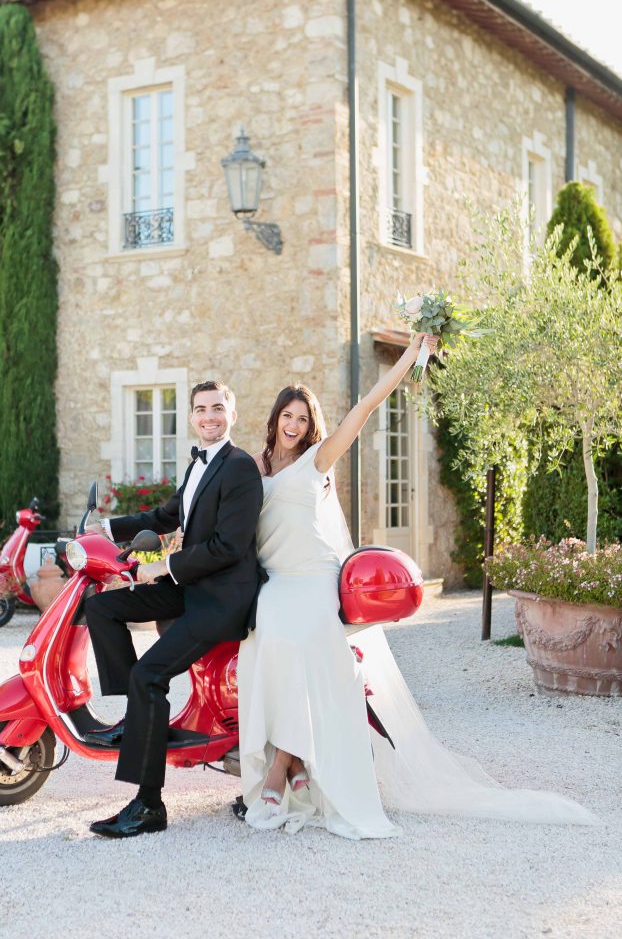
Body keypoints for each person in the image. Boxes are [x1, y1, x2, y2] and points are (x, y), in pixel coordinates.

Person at [238, 334, 599, 838]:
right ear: (275, 418)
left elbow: (365, 407)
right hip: (276, 581)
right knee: (265, 639)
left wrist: (411, 354)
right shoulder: (254, 467)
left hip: (316, 578)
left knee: (306, 643)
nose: (295, 426)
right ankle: (294, 763)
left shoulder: (317, 459)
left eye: (303, 418)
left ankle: (282, 764)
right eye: (288, 416)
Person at [84, 380, 264, 839]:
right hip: (193, 587)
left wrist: (162, 566)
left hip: (221, 599)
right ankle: (137, 721)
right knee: (104, 608)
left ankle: (148, 807)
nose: (210, 417)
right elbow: (168, 516)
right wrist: (105, 527)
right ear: (190, 416)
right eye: (201, 409)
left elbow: (228, 546)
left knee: (151, 675)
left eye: (218, 408)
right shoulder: (198, 463)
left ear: (233, 414)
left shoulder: (240, 468)